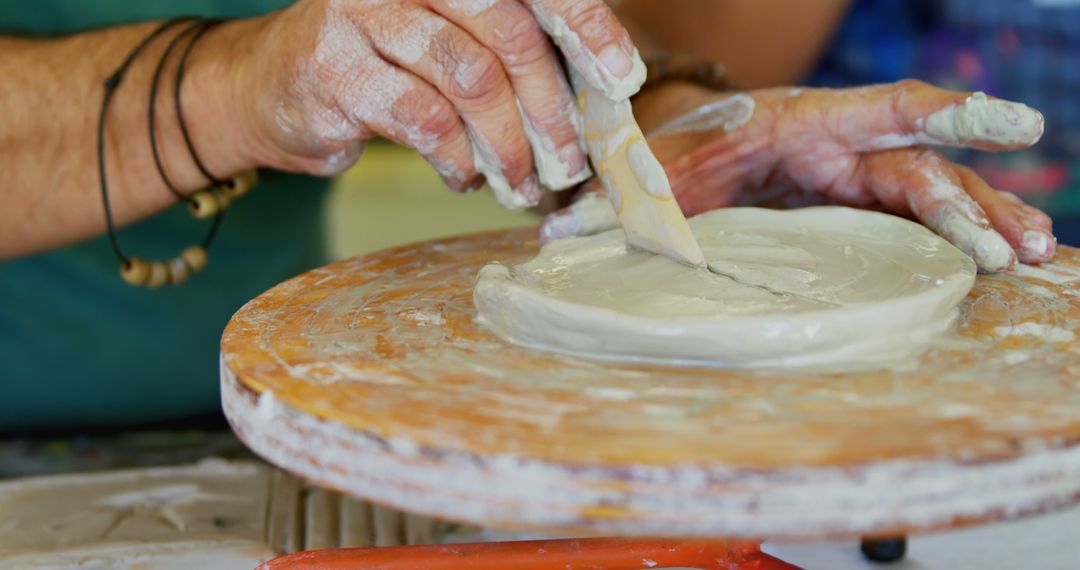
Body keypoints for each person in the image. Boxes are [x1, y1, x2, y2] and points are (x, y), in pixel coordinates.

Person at [0, 1, 1057, 432]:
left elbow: (520, 48)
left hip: (251, 421)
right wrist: (234, 89)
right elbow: (304, 61)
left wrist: (697, 131)